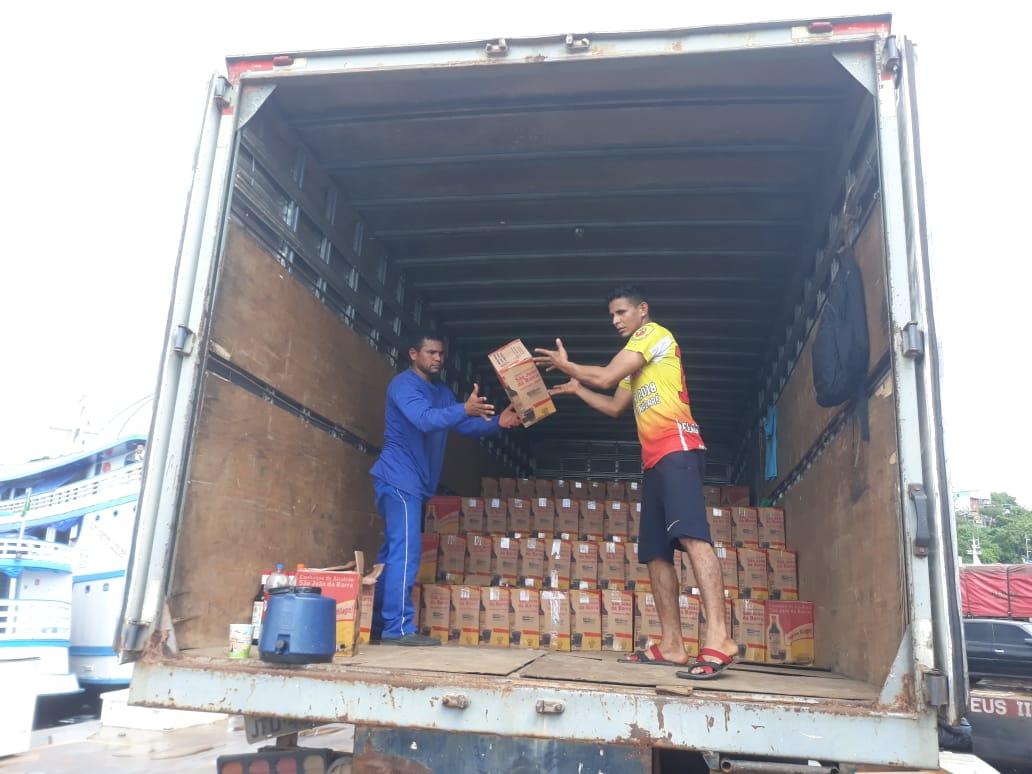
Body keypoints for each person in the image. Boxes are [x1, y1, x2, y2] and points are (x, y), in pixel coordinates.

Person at [535, 285, 738, 678]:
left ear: (642, 311)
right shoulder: (639, 364)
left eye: (622, 312)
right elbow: (614, 405)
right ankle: (673, 645)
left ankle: (720, 637)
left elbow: (607, 375)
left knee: (693, 537)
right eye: (612, 315)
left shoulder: (652, 334)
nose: (616, 320)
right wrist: (578, 388)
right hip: (654, 460)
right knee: (656, 553)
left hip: (678, 448)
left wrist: (568, 366)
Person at [369, 331, 521, 646]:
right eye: (430, 352)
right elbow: (424, 420)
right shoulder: (404, 385)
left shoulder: (441, 391)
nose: (437, 358)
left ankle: (372, 622)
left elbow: (460, 424)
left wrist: (497, 423)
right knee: (406, 553)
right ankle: (396, 630)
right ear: (413, 354)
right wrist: (463, 409)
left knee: (393, 554)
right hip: (398, 479)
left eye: (441, 353)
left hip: (413, 484)